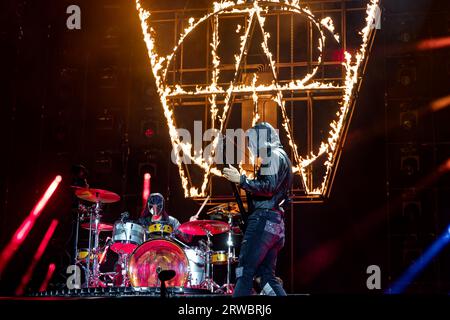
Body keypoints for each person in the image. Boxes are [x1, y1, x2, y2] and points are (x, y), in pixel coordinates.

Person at [222, 122, 293, 297]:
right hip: (275, 224)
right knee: (266, 277)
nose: (250, 146)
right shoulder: (282, 156)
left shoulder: (272, 156)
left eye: (252, 141)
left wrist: (242, 180)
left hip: (263, 221)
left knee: (244, 271)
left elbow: (268, 187)